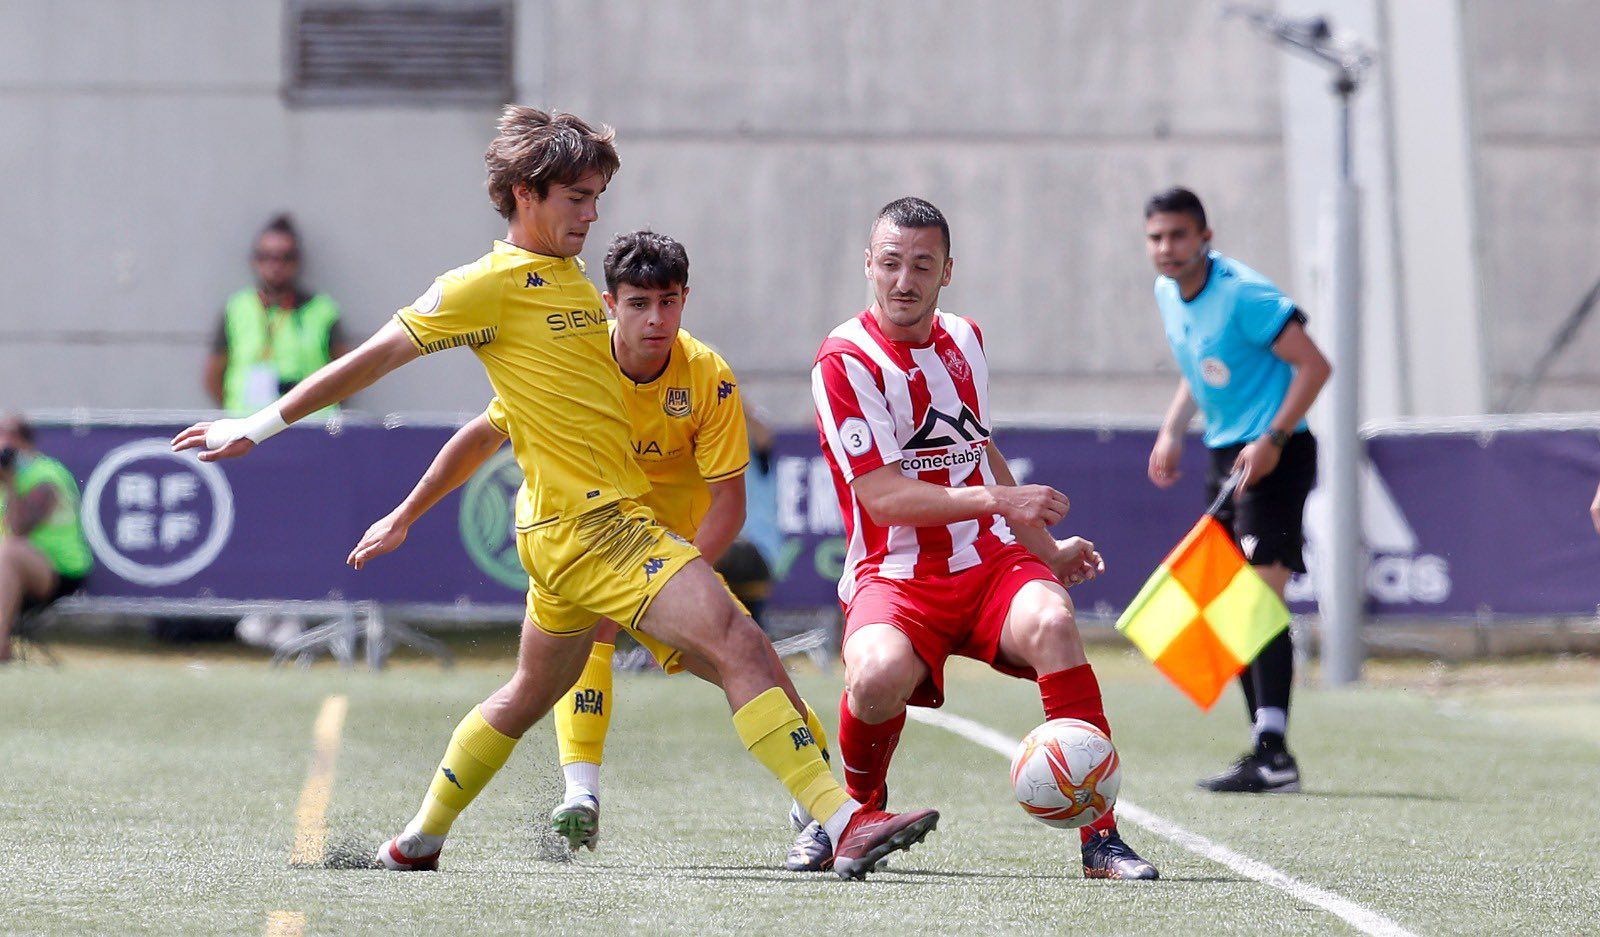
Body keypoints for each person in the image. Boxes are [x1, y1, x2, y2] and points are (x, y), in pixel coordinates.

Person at [172, 105, 936, 880]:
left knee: (529, 692)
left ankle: (417, 839)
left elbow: (494, 422)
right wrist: (260, 423)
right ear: (526, 193)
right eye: (578, 196)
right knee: (741, 645)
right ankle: (843, 820)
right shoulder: (483, 285)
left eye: (597, 195)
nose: (593, 212)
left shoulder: (571, 284)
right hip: (594, 528)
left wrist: (404, 515)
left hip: (562, 533)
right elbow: (376, 356)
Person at [346, 229, 836, 861]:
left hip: (668, 551)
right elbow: (481, 434)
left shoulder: (708, 375)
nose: (655, 319)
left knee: (749, 661)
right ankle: (584, 795)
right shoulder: (571, 359)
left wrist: (679, 577)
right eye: (638, 303)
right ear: (609, 303)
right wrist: (405, 514)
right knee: (716, 654)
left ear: (685, 299)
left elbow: (730, 504)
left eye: (668, 301)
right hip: (587, 540)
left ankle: (427, 836)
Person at [807, 197, 1158, 879]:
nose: (903, 280)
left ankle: (1100, 839)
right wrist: (1002, 498)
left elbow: (977, 446)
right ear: (868, 266)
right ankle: (851, 813)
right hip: (894, 574)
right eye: (890, 264)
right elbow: (883, 497)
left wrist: (1046, 550)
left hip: (988, 563)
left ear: (947, 272)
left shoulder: (965, 338)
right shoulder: (842, 361)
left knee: (1055, 620)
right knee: (874, 675)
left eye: (921, 265)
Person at [1143, 187, 1332, 794]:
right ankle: (1264, 749)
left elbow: (1315, 365)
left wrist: (1273, 437)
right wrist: (1174, 430)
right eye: (1155, 237)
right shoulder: (1167, 292)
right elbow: (1199, 366)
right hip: (1227, 453)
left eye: (1177, 235)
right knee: (1227, 607)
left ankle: (1274, 753)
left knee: (1256, 601)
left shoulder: (1244, 294)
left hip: (1277, 453)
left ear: (1205, 236)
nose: (1166, 249)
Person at [205, 214, 349, 416]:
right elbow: (213, 375)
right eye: (266, 257)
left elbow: (348, 373)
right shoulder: (236, 308)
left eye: (285, 257)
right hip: (248, 426)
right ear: (255, 260)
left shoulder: (322, 310)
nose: (276, 266)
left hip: (310, 426)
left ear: (297, 261)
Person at [0, 414, 93, 662]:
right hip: (12, 571)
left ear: (24, 443)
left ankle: (1, 646)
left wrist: (10, 482)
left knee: (9, 552)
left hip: (57, 570)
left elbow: (19, 528)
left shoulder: (46, 475)